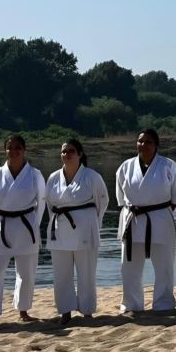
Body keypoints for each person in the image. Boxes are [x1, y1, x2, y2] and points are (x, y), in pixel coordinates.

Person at [0, 134, 47, 327]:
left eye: (18, 148)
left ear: (24, 150)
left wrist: (34, 226)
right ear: (5, 150)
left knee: (27, 273)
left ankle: (23, 310)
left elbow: (41, 204)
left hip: (26, 226)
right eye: (10, 148)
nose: (14, 151)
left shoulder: (35, 175)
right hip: (0, 226)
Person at [115, 128, 176, 315]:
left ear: (156, 145)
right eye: (140, 141)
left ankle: (164, 304)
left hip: (160, 219)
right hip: (133, 220)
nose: (143, 145)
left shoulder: (168, 166)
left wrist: (159, 212)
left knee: (164, 265)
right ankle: (131, 304)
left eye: (148, 142)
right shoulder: (126, 167)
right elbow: (121, 198)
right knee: (129, 267)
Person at [45, 138, 109, 324]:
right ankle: (65, 312)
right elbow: (49, 204)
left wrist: (93, 223)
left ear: (80, 154)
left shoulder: (92, 176)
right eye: (64, 151)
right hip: (59, 229)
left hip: (85, 230)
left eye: (71, 151)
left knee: (86, 273)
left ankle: (87, 311)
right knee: (61, 274)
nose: (67, 155)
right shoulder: (53, 178)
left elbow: (102, 202)